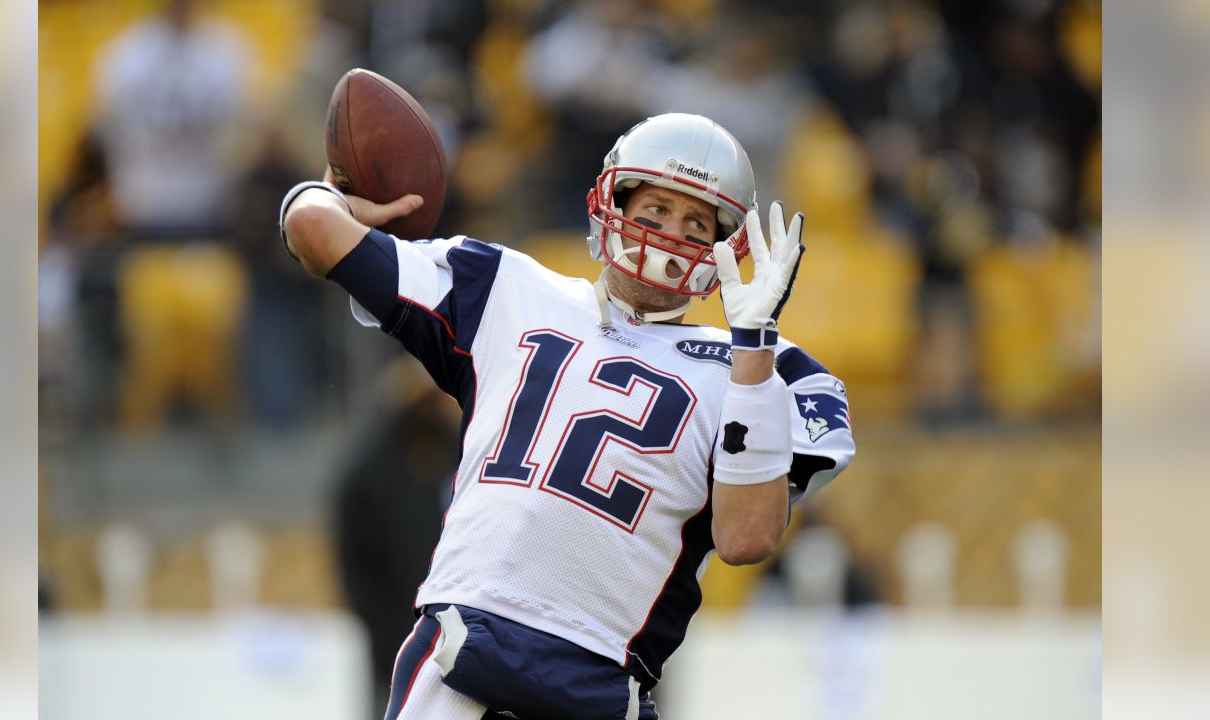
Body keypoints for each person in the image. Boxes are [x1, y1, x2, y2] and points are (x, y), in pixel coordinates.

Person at [279, 113, 855, 719]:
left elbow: (747, 538)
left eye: (695, 222)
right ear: (613, 202)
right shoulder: (506, 288)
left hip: (602, 674)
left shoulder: (761, 369)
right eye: (655, 210)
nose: (667, 234)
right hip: (463, 644)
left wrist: (755, 350)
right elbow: (313, 228)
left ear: (722, 246)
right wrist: (330, 195)